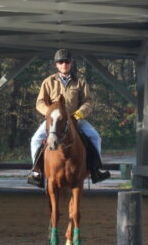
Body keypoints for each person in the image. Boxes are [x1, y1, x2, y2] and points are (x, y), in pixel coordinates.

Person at [27, 49, 112, 188]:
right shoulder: (48, 82)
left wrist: (79, 114)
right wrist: (50, 113)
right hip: (54, 120)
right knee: (36, 139)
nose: (64, 64)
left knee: (95, 137)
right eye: (61, 62)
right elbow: (40, 102)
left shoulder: (80, 82)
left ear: (71, 63)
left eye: (66, 61)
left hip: (75, 118)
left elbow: (88, 102)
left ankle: (96, 169)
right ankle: (36, 172)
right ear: (56, 65)